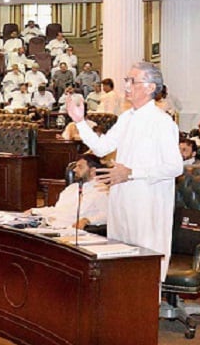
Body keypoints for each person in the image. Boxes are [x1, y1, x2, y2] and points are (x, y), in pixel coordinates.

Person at [66, 61, 183, 281]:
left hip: (147, 203)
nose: (127, 86)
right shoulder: (126, 118)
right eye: (126, 81)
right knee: (119, 262)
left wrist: (131, 172)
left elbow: (175, 166)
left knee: (143, 268)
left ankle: (146, 313)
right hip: (121, 199)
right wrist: (80, 122)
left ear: (150, 87)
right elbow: (102, 148)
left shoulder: (162, 122)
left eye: (132, 81)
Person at [30, 154, 108, 229]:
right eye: (75, 166)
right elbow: (58, 209)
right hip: (49, 225)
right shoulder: (71, 188)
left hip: (69, 232)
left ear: (92, 171)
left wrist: (87, 220)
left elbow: (108, 215)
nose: (74, 170)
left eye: (80, 167)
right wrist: (34, 211)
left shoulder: (101, 190)